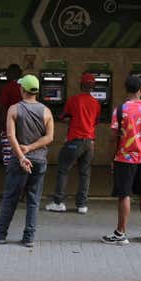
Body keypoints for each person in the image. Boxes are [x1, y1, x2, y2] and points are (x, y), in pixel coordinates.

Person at [0, 74, 54, 247]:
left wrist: (22, 156)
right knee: (33, 200)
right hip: (39, 161)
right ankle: (29, 238)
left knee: (10, 197)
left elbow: (10, 136)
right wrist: (31, 148)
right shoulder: (46, 111)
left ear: (22, 89)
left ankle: (0, 235)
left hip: (19, 160)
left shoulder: (14, 109)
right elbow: (49, 138)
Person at [102, 75, 141, 245]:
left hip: (124, 158)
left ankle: (121, 233)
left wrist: (111, 157)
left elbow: (113, 137)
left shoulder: (120, 110)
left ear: (126, 89)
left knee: (124, 195)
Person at [45, 73, 101, 214]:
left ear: (81, 85)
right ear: (93, 87)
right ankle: (82, 205)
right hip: (90, 142)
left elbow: (63, 116)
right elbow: (95, 122)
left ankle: (58, 202)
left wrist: (70, 119)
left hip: (75, 141)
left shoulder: (74, 100)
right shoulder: (96, 103)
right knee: (85, 174)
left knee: (63, 170)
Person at [0, 64, 23, 169]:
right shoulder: (25, 87)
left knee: (9, 160)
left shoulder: (7, 88)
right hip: (24, 129)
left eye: (8, 72)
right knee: (21, 156)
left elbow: (1, 108)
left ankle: (11, 183)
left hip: (9, 128)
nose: (7, 75)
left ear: (13, 73)